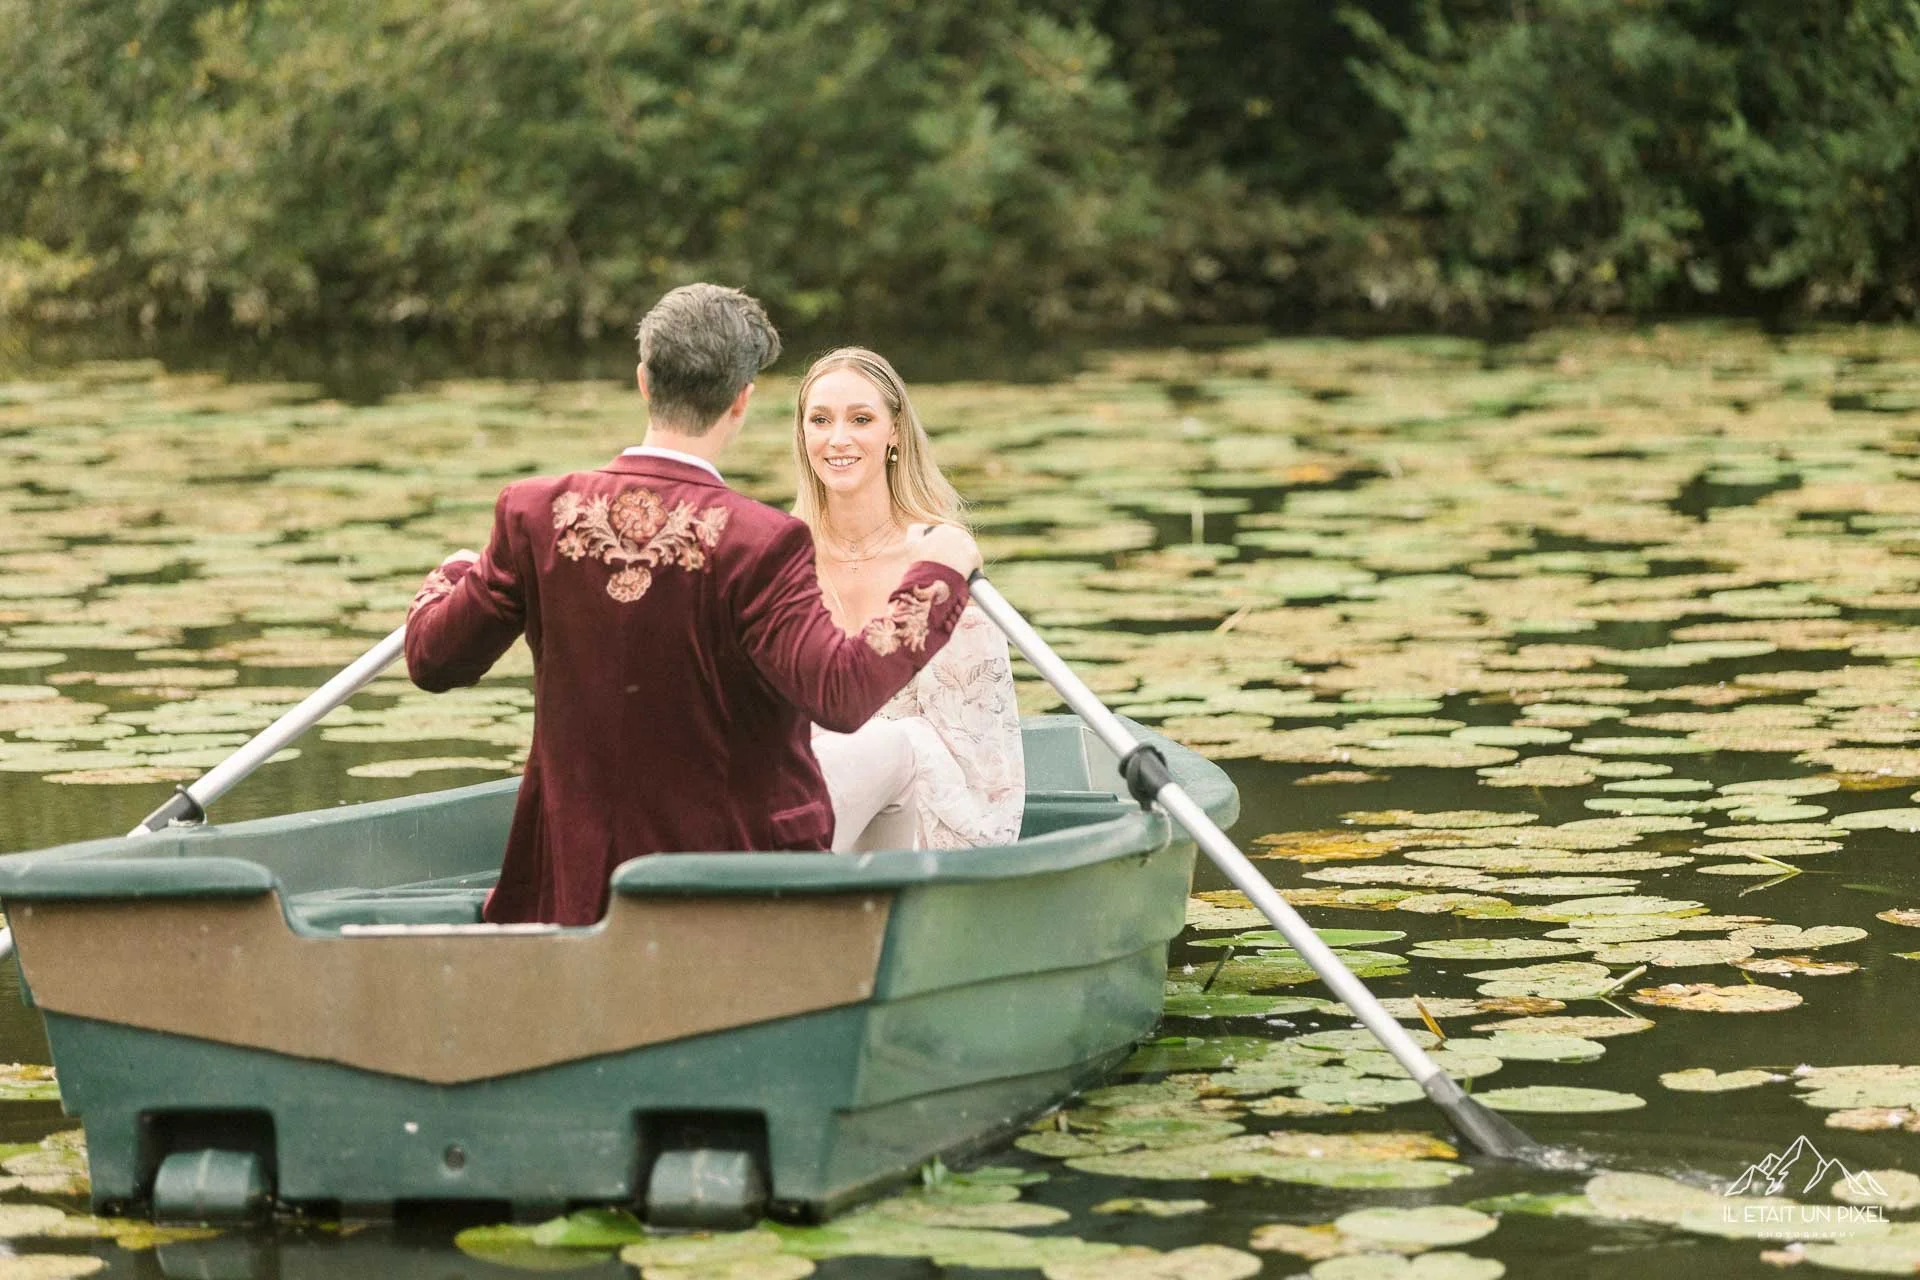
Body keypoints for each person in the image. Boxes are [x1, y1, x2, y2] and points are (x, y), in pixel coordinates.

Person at [404, 286, 981, 925]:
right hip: (731, 896)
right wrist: (935, 576)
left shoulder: (535, 515)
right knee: (893, 755)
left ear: (643, 381)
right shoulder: (762, 543)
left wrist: (452, 574)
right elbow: (842, 694)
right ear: (741, 401)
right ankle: (870, 949)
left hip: (572, 893)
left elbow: (432, 659)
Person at [793, 348, 1024, 852]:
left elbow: (980, 769)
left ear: (894, 432)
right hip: (799, 803)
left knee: (885, 742)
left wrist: (863, 750)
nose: (838, 438)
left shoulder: (940, 556)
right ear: (803, 433)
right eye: (821, 420)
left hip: (921, 825)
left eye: (860, 419)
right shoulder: (782, 560)